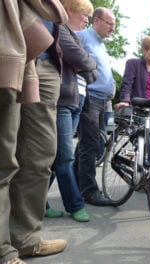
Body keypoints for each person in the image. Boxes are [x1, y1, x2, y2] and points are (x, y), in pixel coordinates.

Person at [0, 1, 69, 262]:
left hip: (39, 60)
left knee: (40, 156)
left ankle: (26, 239)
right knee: (4, 157)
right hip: (6, 46)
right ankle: (3, 249)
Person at [45, 0, 97, 222]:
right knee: (64, 157)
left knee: (56, 158)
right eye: (84, 15)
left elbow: (89, 67)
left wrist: (86, 64)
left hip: (74, 100)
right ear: (69, 11)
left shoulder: (74, 35)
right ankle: (75, 204)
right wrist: (86, 63)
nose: (86, 20)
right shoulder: (60, 29)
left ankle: (38, 202)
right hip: (62, 101)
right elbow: (80, 59)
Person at [75, 7, 116, 206]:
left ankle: (76, 186)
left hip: (102, 101)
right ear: (97, 20)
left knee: (87, 145)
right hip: (90, 97)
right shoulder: (81, 36)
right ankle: (89, 192)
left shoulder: (100, 44)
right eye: (110, 24)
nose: (113, 29)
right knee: (90, 145)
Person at [115, 36, 150, 165]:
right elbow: (127, 84)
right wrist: (125, 101)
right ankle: (145, 174)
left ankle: (145, 177)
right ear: (144, 50)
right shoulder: (133, 63)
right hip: (141, 111)